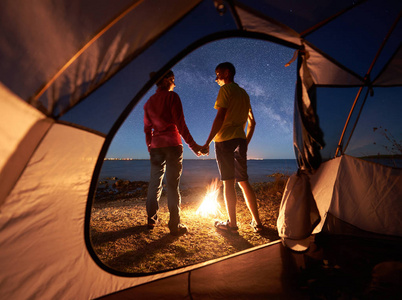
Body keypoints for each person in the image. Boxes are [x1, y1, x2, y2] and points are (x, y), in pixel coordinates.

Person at [201, 62, 263, 233]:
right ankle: (257, 222)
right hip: (239, 141)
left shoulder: (225, 90)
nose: (216, 79)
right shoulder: (244, 94)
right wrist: (245, 141)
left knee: (228, 183)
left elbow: (220, 117)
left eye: (218, 74)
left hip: (224, 141)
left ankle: (232, 225)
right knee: (243, 182)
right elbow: (253, 123)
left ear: (227, 73)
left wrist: (207, 142)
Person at [144, 70, 202, 236]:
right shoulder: (172, 97)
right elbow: (181, 124)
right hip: (172, 145)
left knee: (154, 183)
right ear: (167, 79)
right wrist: (194, 146)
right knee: (172, 185)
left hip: (156, 147)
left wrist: (150, 146)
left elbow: (147, 128)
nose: (175, 84)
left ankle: (151, 220)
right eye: (173, 80)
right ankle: (174, 225)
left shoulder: (149, 102)